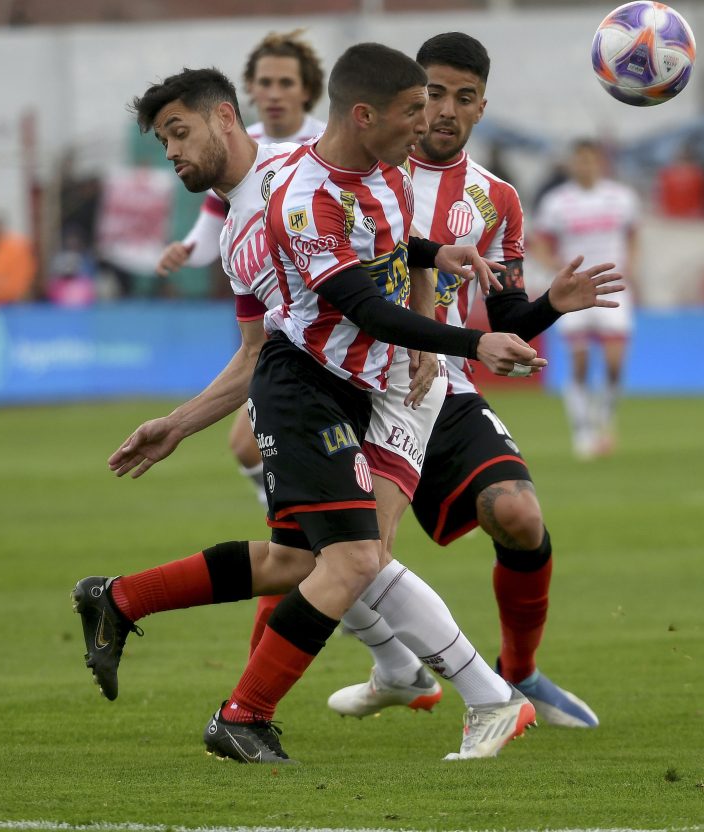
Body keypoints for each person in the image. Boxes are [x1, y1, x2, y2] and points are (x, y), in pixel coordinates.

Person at [73, 55, 600, 764]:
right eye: (418, 106)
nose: (170, 152)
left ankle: (128, 603)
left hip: (386, 384)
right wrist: (182, 422)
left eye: (178, 133)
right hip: (327, 387)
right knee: (349, 559)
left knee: (312, 561)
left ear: (227, 118)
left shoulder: (333, 167)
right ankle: (466, 693)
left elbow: (386, 251)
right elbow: (291, 335)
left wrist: (437, 262)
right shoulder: (259, 223)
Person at [326, 33, 617, 729]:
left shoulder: (496, 200)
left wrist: (550, 305)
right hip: (352, 385)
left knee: (518, 514)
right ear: (408, 94)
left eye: (463, 97)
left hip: (443, 385)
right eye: (432, 92)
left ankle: (521, 672)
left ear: (483, 107)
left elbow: (508, 319)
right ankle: (388, 670)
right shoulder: (360, 173)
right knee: (328, 555)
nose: (445, 110)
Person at [158, 30, 327, 521]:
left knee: (340, 556)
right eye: (263, 82)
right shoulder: (232, 153)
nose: (273, 92)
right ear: (247, 92)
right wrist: (187, 251)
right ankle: (284, 513)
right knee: (249, 449)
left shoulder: (325, 149)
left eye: (284, 82)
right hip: (291, 343)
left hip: (341, 343)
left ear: (306, 90)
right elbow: (215, 230)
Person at [532, 140, 639, 458]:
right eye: (579, 161)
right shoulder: (557, 202)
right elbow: (539, 242)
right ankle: (582, 429)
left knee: (615, 363)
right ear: (572, 164)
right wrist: (559, 270)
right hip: (575, 293)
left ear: (600, 162)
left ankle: (604, 414)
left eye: (591, 160)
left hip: (614, 287)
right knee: (579, 364)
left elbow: (634, 235)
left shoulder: (622, 198)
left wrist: (631, 264)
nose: (585, 166)